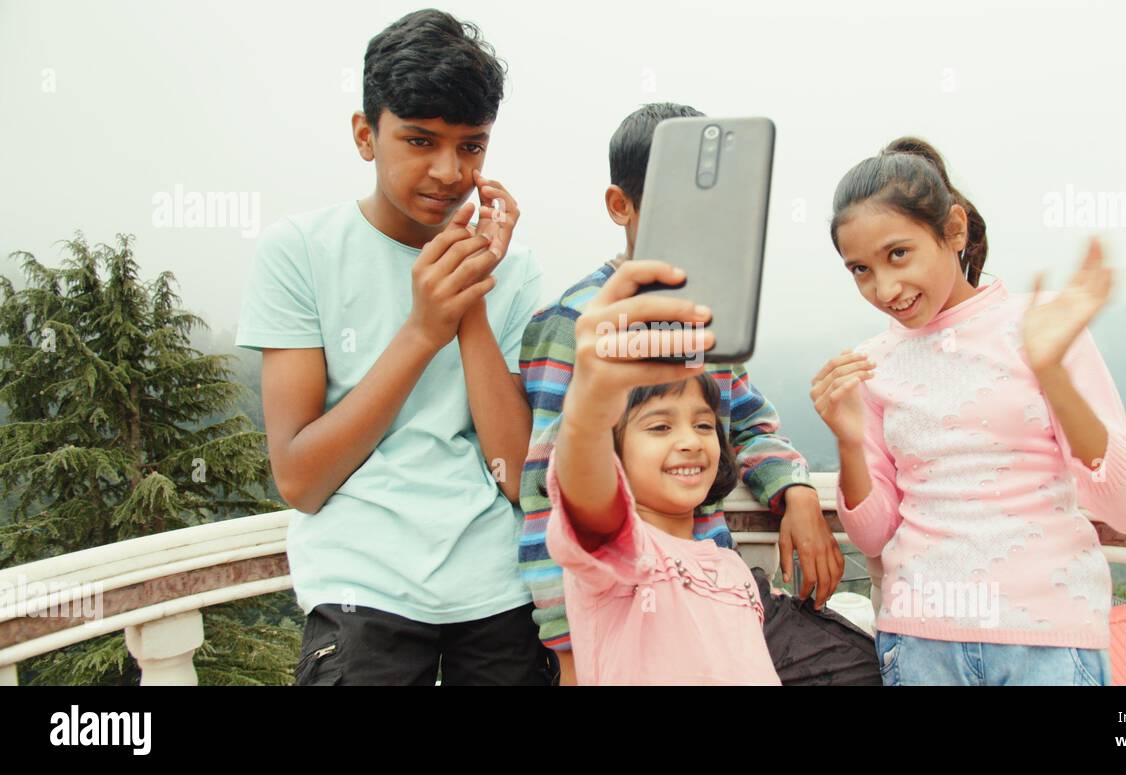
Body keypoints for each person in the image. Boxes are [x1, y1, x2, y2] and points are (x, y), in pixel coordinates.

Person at [236, 9, 553, 685]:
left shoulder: (514, 269)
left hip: (498, 585)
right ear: (364, 134)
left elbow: (516, 476)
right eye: (419, 140)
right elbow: (300, 477)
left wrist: (467, 295)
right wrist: (421, 330)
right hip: (361, 588)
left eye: (471, 147)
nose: (447, 171)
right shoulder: (299, 252)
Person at [518, 103, 844, 684]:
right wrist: (569, 650)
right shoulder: (576, 321)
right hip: (626, 596)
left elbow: (747, 419)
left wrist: (793, 490)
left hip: (714, 583)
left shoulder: (700, 309)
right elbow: (548, 486)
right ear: (622, 205)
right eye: (681, 213)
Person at [814, 137, 1126, 685]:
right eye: (860, 270)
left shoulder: (1042, 327)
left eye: (898, 254)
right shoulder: (872, 365)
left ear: (953, 230)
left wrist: (1051, 372)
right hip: (922, 644)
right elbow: (875, 536)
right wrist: (849, 442)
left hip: (1046, 642)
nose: (885, 288)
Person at [545, 259, 780, 684]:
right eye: (660, 426)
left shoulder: (732, 567)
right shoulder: (621, 557)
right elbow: (589, 497)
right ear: (613, 453)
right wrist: (587, 414)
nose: (689, 441)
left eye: (704, 424)